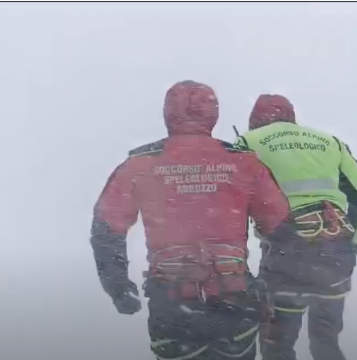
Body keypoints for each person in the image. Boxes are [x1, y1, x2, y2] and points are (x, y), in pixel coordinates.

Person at [89, 81, 294, 360]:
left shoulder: (140, 164)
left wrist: (118, 287)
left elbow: (106, 229)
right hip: (234, 301)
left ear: (167, 113)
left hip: (172, 304)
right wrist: (274, 287)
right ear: (213, 114)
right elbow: (281, 227)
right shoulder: (244, 163)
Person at [234, 94, 357, 360]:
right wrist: (352, 246)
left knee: (278, 344)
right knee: (326, 343)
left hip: (286, 253)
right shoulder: (330, 142)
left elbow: (233, 201)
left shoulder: (247, 142)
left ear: (255, 121)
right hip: (334, 254)